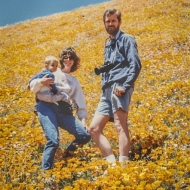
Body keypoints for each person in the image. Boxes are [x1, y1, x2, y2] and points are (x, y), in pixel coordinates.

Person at [89, 8, 141, 166]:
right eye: (107, 21)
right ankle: (112, 165)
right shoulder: (108, 44)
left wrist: (125, 85)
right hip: (106, 90)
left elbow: (136, 65)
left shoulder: (127, 39)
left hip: (120, 87)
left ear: (119, 22)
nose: (110, 24)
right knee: (94, 129)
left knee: (120, 124)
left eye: (113, 21)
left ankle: (124, 166)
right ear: (104, 23)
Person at [29, 47, 91, 170]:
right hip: (46, 107)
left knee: (85, 136)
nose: (68, 60)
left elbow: (80, 101)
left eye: (71, 57)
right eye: (65, 57)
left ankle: (67, 156)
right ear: (61, 60)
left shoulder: (74, 81)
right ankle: (46, 174)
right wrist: (41, 82)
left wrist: (83, 119)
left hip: (64, 111)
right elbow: (32, 86)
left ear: (74, 61)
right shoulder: (52, 71)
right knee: (53, 140)